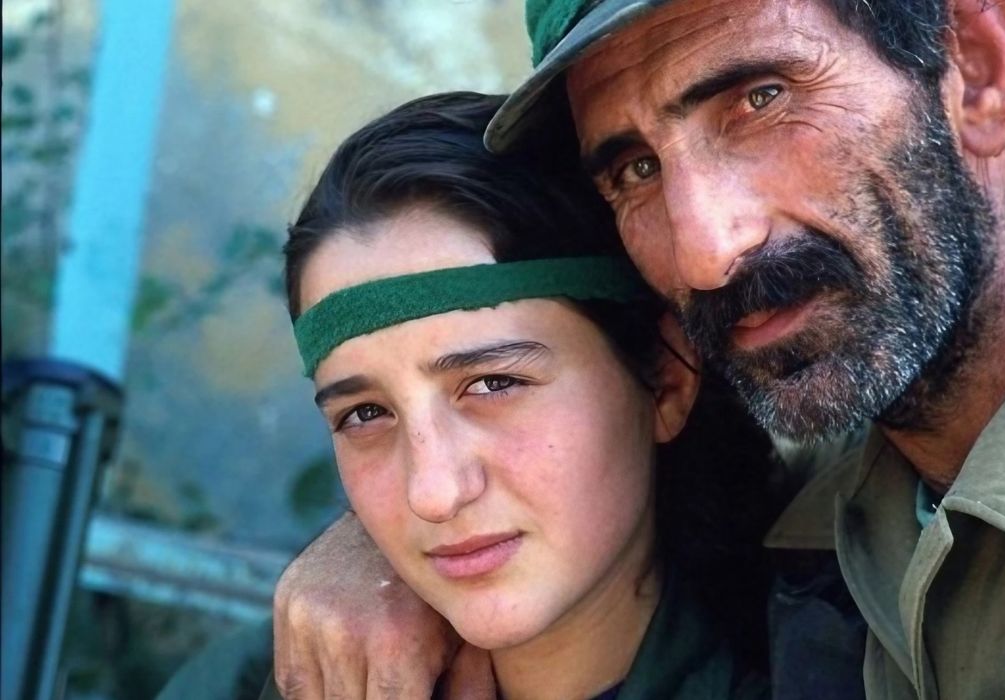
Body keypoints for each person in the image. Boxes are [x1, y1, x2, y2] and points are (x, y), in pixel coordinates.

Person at [273, 1, 1005, 698]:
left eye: (760, 98)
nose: (702, 248)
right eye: (633, 167)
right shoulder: (832, 496)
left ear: (977, 68)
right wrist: (392, 546)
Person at [243, 90, 781, 700]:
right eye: (365, 414)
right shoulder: (263, 680)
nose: (435, 493)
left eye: (493, 383)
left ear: (665, 378)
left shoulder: (847, 662)